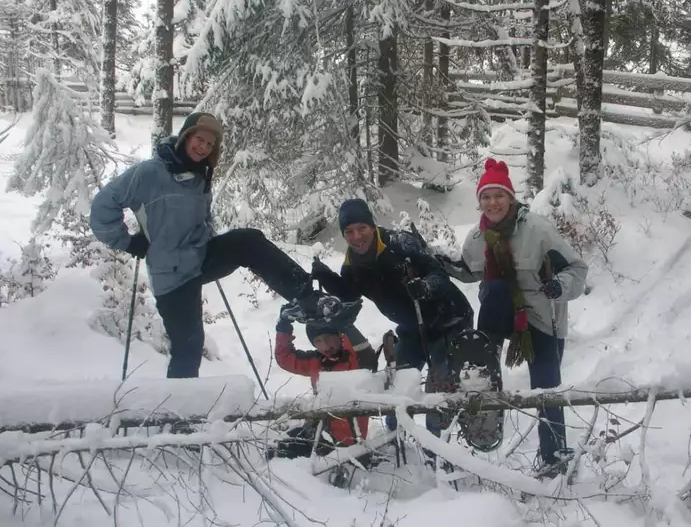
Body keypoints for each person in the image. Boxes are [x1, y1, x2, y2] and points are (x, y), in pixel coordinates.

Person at [89, 112, 376, 378]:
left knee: (247, 241)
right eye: (199, 139)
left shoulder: (199, 177)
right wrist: (127, 241)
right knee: (188, 348)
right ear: (186, 137)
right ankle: (180, 418)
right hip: (172, 276)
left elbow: (202, 218)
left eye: (209, 144)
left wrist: (209, 236)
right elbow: (103, 207)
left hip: (200, 257)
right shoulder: (149, 173)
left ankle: (309, 300)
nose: (203, 147)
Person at [441, 158, 588, 476]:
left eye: (498, 195)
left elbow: (577, 269)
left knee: (546, 389)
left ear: (510, 198)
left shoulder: (538, 230)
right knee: (493, 291)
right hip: (501, 314)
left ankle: (555, 461)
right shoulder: (476, 239)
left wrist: (558, 287)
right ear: (479, 201)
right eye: (486, 196)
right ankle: (483, 365)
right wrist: (437, 260)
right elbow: (468, 271)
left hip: (541, 318)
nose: (492, 202)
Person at [311, 198, 474, 436]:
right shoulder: (352, 264)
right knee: (397, 389)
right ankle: (394, 438)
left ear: (372, 226)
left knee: (438, 395)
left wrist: (426, 287)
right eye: (349, 231)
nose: (357, 236)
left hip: (449, 320)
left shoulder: (400, 244)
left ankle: (440, 452)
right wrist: (327, 278)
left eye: (362, 228)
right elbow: (351, 294)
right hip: (412, 328)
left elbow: (439, 274)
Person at [269, 312, 369, 462]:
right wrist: (284, 327)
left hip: (346, 439)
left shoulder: (354, 358)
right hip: (317, 429)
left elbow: (359, 346)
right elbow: (285, 359)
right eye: (318, 341)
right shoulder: (316, 361)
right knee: (275, 450)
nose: (325, 346)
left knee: (286, 454)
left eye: (329, 338)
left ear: (340, 337)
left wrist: (340, 321)